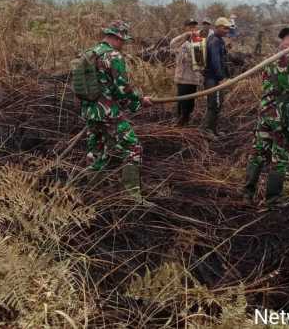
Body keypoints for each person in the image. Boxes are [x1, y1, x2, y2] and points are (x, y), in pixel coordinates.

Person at [80, 20, 153, 203]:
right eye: (123, 41)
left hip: (90, 112)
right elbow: (122, 89)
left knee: (96, 151)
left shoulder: (88, 54)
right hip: (108, 113)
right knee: (132, 147)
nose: (123, 45)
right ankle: (132, 196)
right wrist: (139, 102)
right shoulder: (113, 56)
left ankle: (92, 195)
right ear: (116, 37)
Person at [243, 24, 289, 209]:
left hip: (265, 114)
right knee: (280, 157)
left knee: (258, 153)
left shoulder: (272, 59)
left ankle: (246, 194)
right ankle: (272, 199)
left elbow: (267, 83)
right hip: (284, 117)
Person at [201, 17, 232, 136]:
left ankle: (213, 130)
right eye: (224, 28)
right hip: (213, 79)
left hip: (214, 78)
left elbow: (223, 60)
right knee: (213, 104)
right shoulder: (214, 41)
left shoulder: (218, 40)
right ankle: (207, 130)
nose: (227, 30)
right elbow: (215, 62)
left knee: (217, 104)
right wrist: (221, 78)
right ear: (217, 27)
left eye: (228, 28)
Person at [169, 19, 203, 126]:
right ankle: (179, 123)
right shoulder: (180, 43)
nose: (192, 29)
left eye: (194, 26)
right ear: (185, 28)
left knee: (190, 104)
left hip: (193, 79)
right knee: (182, 102)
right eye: (190, 26)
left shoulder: (198, 42)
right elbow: (172, 44)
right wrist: (186, 35)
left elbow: (200, 62)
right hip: (182, 79)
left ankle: (186, 122)